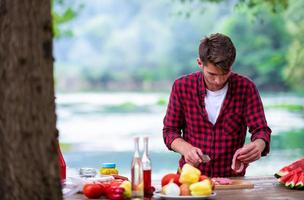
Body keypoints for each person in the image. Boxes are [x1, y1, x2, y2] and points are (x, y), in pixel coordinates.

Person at [163, 33, 271, 177]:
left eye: (225, 73)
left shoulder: (246, 88)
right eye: (212, 74)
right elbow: (170, 131)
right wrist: (186, 149)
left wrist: (258, 145)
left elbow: (261, 130)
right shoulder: (182, 87)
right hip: (190, 179)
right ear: (200, 63)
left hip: (232, 181)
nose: (218, 81)